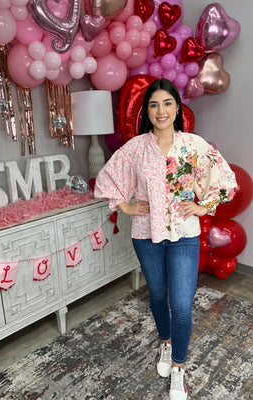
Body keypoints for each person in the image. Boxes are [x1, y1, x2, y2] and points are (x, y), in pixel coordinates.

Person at [94, 78, 237, 400]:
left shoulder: (194, 145)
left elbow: (225, 179)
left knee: (183, 306)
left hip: (184, 236)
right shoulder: (135, 148)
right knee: (158, 295)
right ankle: (165, 343)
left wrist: (203, 206)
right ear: (147, 110)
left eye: (167, 103)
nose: (161, 110)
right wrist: (125, 206)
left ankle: (178, 368)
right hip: (146, 234)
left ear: (177, 107)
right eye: (154, 104)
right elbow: (107, 177)